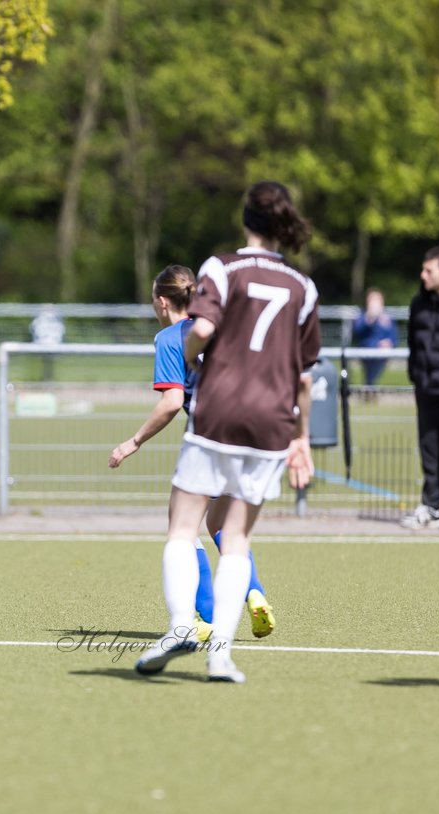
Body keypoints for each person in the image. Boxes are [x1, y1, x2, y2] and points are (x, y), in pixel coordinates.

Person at [134, 180, 320, 684]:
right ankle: (221, 655)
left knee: (182, 524)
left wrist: (193, 360)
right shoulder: (303, 286)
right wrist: (300, 438)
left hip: (219, 410)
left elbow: (200, 330)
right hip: (272, 422)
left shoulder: (222, 267)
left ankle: (179, 627)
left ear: (245, 220)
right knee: (235, 537)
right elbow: (304, 375)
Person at [108, 265, 274, 644]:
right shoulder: (221, 325)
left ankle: (206, 617)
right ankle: (254, 592)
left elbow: (171, 402)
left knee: (183, 530)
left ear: (162, 301)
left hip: (211, 434)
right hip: (250, 431)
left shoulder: (170, 337)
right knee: (222, 526)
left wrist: (133, 441)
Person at [399, 246, 439, 531]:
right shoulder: (418, 303)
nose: (422, 275)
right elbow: (413, 341)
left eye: (429, 271)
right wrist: (417, 376)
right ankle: (431, 506)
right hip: (426, 390)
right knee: (429, 451)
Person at [351, 287, 398, 390]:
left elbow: (394, 337)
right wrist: (370, 318)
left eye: (377, 300)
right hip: (366, 352)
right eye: (373, 300)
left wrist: (389, 343)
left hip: (382, 354)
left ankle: (370, 387)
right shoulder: (362, 316)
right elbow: (357, 332)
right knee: (371, 372)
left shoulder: (387, 319)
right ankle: (370, 388)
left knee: (374, 373)